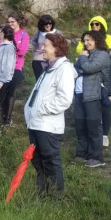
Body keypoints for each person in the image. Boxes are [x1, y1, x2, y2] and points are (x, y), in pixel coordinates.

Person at [23, 33, 76, 197]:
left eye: (45, 45)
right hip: (36, 124)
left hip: (48, 126)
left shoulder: (64, 69)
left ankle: (55, 198)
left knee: (51, 162)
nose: (41, 48)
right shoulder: (50, 69)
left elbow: (65, 100)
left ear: (56, 48)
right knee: (38, 161)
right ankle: (42, 194)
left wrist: (41, 109)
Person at [73, 29, 110, 167]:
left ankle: (97, 157)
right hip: (79, 93)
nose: (86, 42)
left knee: (93, 125)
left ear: (97, 41)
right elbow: (76, 69)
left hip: (93, 94)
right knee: (80, 124)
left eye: (89, 40)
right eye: (85, 40)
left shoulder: (102, 55)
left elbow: (88, 68)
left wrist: (82, 59)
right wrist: (83, 63)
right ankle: (82, 153)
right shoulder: (86, 54)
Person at [0, 13, 30, 125]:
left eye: (13, 22)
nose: (10, 24)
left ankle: (8, 117)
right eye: (9, 22)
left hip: (16, 67)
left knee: (10, 92)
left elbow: (22, 51)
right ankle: (1, 115)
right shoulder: (5, 33)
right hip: (3, 66)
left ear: (18, 22)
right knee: (2, 91)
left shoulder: (23, 35)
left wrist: (9, 49)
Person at [30, 15, 58, 79]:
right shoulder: (38, 33)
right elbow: (33, 41)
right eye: (46, 24)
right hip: (38, 60)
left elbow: (61, 45)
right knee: (39, 79)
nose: (48, 25)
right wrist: (38, 48)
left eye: (50, 23)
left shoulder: (57, 33)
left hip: (52, 60)